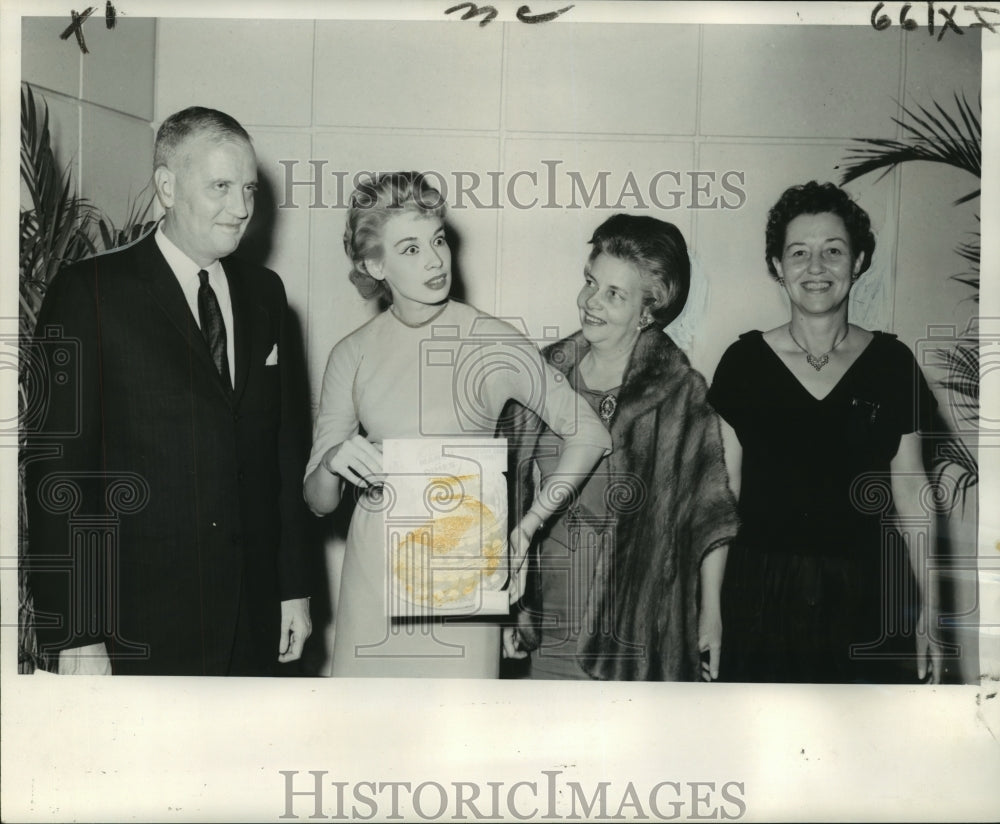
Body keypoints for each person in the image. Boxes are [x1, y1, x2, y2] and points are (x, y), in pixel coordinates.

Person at [25, 107, 313, 675]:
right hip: (136, 627)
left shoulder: (267, 295)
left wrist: (293, 588)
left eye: (249, 188)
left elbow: (283, 455)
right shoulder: (90, 293)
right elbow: (58, 475)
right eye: (221, 187)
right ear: (166, 186)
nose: (242, 208)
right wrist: (79, 634)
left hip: (252, 619)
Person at [303, 172, 611, 678]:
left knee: (460, 735)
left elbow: (591, 433)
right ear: (373, 264)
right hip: (373, 582)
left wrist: (525, 531)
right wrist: (335, 460)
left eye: (437, 239)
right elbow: (319, 501)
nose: (434, 259)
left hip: (463, 571)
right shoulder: (351, 354)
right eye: (409, 248)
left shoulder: (493, 341)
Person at [707, 180, 943, 684]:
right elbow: (719, 500)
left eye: (833, 251)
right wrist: (710, 612)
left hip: (871, 596)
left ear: (858, 263)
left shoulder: (893, 364)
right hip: (760, 596)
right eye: (799, 253)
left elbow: (912, 492)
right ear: (777, 266)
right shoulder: (744, 363)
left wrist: (930, 611)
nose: (816, 267)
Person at [506, 214, 739, 681]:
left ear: (648, 311)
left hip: (634, 635)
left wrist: (711, 613)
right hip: (545, 625)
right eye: (591, 282)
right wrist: (500, 611)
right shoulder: (540, 377)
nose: (592, 302)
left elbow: (711, 514)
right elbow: (507, 498)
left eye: (615, 294)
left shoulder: (680, 394)